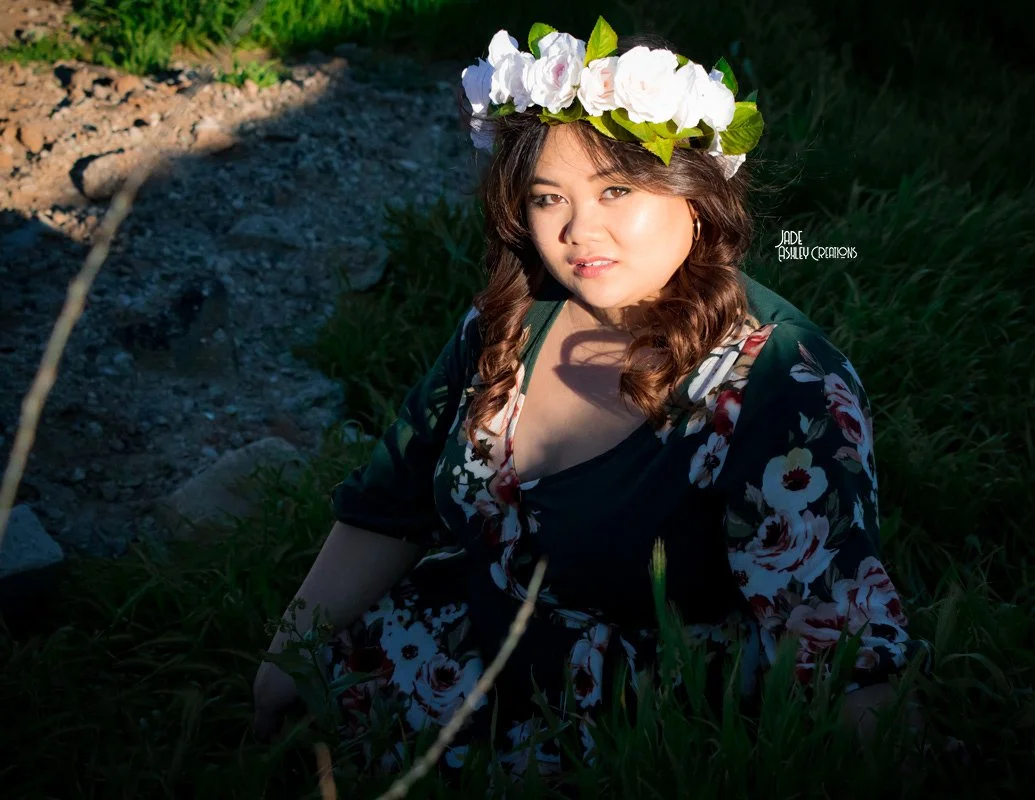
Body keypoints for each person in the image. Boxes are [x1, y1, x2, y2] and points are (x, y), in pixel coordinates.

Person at [252, 20, 932, 780]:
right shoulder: (509, 320)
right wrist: (288, 661)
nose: (580, 230)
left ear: (696, 195)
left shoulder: (780, 383)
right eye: (549, 198)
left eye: (617, 189)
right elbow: (394, 500)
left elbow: (839, 647)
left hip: (634, 737)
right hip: (441, 663)